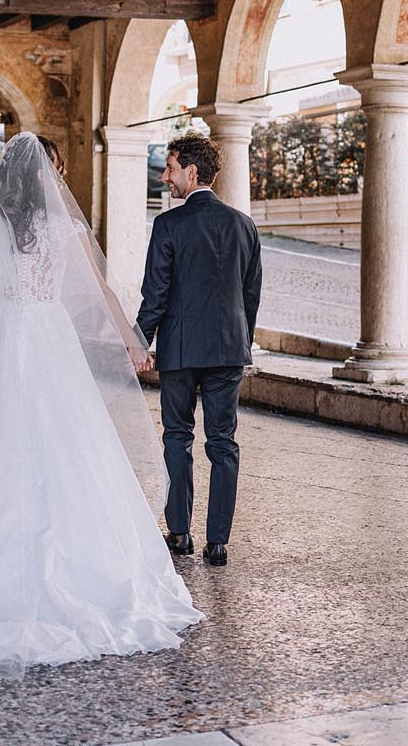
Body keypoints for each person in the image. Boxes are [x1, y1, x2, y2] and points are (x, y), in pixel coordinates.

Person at [0, 132, 201, 678]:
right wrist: (132, 343)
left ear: (8, 176)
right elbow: (102, 292)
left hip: (3, 344)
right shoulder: (66, 227)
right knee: (68, 448)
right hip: (51, 342)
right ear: (47, 177)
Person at [136, 131, 263, 568]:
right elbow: (251, 295)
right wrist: (239, 343)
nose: (165, 177)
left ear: (191, 172)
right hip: (228, 349)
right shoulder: (243, 224)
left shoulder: (169, 224)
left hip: (181, 349)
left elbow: (156, 292)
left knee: (178, 437)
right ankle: (219, 542)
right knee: (224, 442)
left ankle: (180, 534)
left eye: (170, 168)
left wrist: (140, 341)